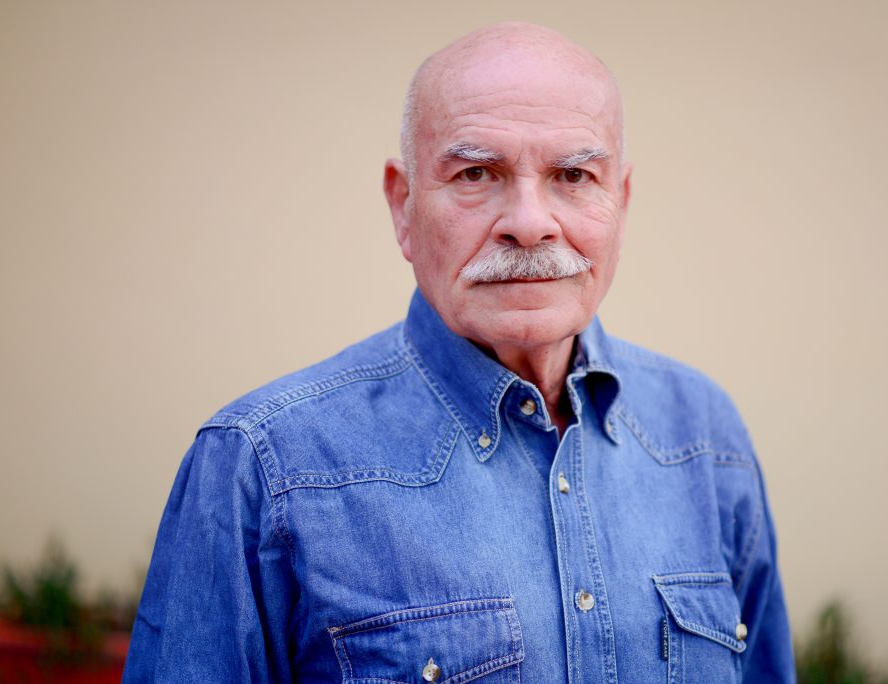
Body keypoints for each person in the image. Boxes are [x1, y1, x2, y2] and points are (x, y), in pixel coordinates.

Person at [124, 22, 794, 683]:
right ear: (403, 205)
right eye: (476, 172)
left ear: (619, 201)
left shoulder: (706, 437)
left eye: (573, 174)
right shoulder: (260, 465)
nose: (529, 224)